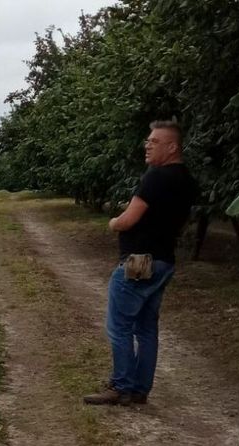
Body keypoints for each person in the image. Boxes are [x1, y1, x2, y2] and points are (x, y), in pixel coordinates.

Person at [83, 120, 200, 406]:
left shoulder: (156, 177)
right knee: (147, 328)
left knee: (119, 326)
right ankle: (139, 390)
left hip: (138, 262)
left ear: (172, 147)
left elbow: (128, 219)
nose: (147, 145)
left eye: (154, 141)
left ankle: (121, 386)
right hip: (163, 262)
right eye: (147, 140)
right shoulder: (187, 180)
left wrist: (112, 222)